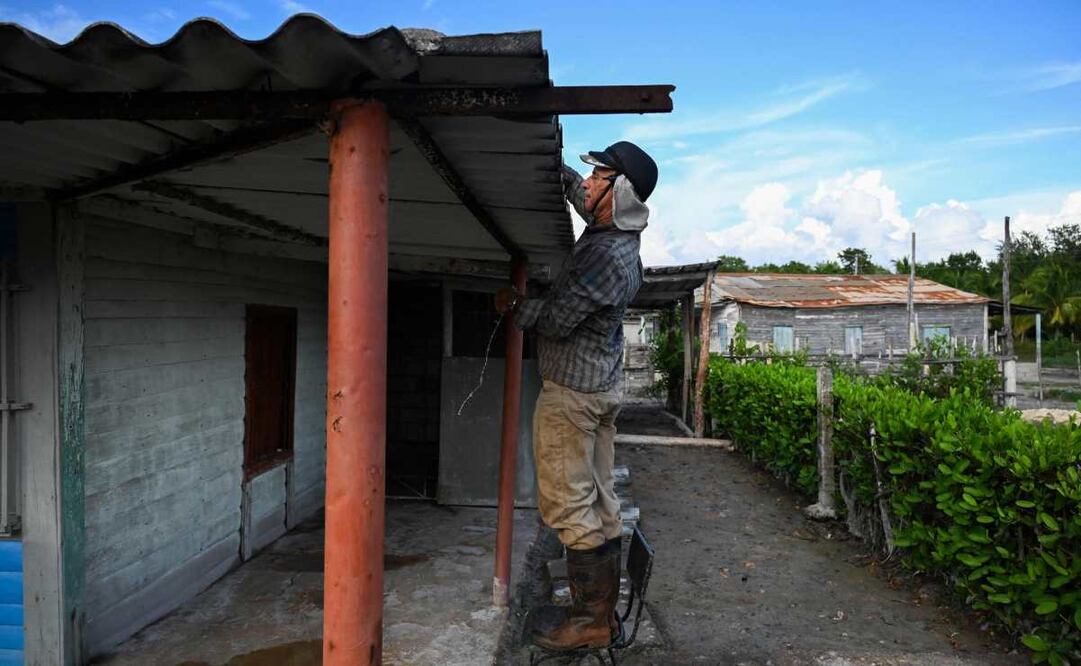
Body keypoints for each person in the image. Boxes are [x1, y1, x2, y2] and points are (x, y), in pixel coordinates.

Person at [495, 141, 657, 651]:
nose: (587, 184)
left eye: (597, 176)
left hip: (573, 396)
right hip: (600, 389)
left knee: (568, 506)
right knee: (602, 503)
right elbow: (583, 197)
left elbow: (558, 321)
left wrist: (513, 306)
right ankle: (599, 612)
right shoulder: (613, 234)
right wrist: (559, 171)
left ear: (620, 191)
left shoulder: (605, 258)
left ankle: (589, 620)